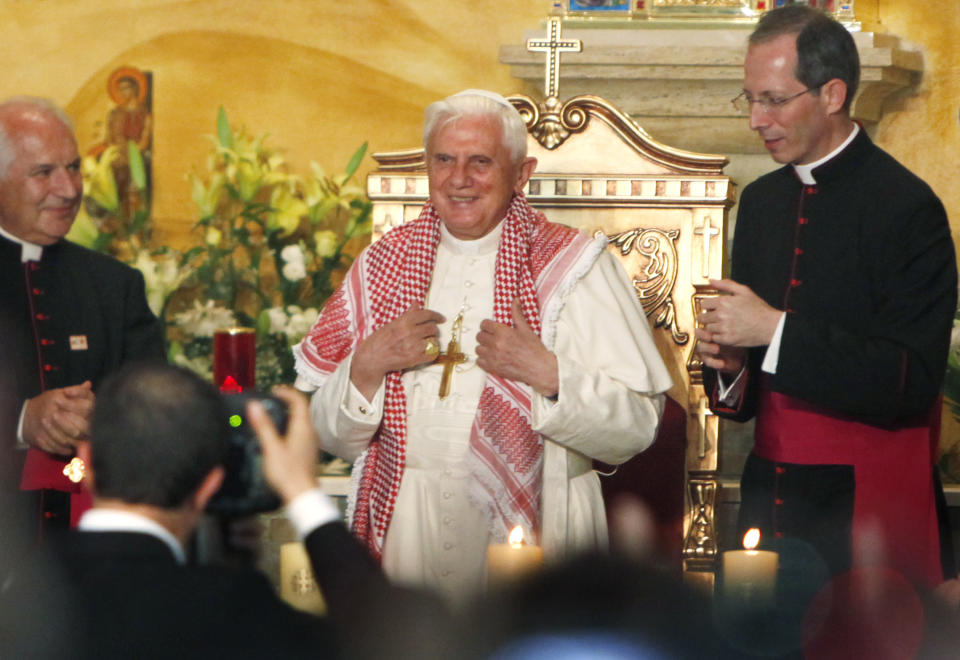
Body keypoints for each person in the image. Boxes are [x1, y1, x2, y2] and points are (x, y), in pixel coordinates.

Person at [294, 89, 672, 601]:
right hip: (407, 529)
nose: (459, 179)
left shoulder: (574, 267)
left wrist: (551, 376)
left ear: (521, 173)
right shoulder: (382, 265)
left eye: (480, 162)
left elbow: (637, 427)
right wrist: (365, 367)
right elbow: (329, 436)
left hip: (541, 527)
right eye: (444, 160)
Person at [696, 5, 957, 590]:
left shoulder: (906, 208)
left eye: (774, 99)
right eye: (749, 99)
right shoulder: (762, 203)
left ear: (833, 93)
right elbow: (745, 393)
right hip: (770, 495)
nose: (755, 120)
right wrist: (733, 364)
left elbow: (910, 378)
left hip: (866, 507)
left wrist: (771, 331)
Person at [4, 362, 401, 659]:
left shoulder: (18, 592)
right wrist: (303, 492)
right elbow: (391, 637)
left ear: (85, 464)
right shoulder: (235, 609)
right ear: (209, 485)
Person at [0, 96, 164, 530]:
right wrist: (20, 421)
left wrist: (106, 415)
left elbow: (158, 403)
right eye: (44, 172)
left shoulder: (114, 285)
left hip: (93, 543)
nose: (69, 189)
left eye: (73, 167)